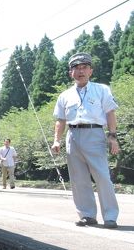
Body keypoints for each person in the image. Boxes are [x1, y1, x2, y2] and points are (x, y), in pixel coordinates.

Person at [51, 52, 120, 228]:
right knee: (78, 178)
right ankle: (87, 215)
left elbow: (110, 113)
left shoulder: (102, 89)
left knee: (102, 176)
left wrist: (112, 137)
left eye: (84, 67)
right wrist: (57, 140)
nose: (80, 71)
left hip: (94, 134)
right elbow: (61, 120)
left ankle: (110, 216)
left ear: (91, 70)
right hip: (72, 136)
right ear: (70, 73)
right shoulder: (64, 95)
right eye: (76, 68)